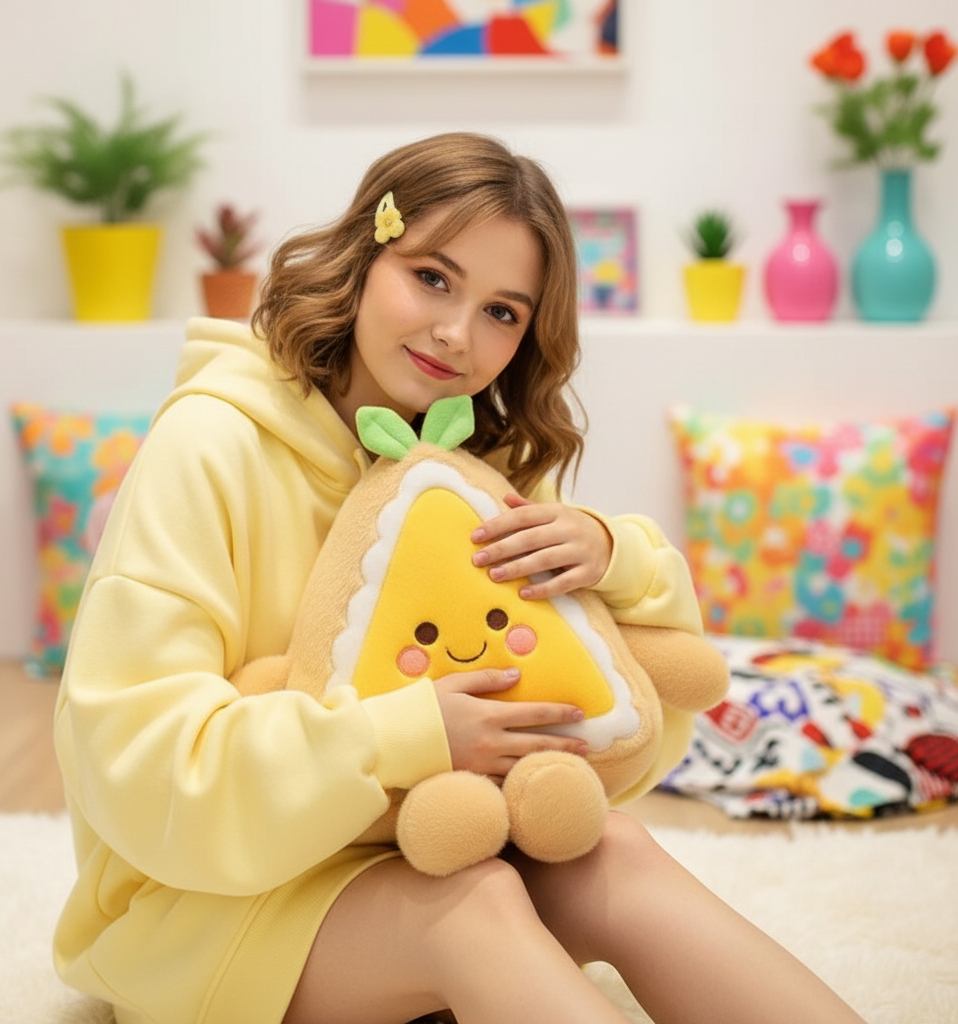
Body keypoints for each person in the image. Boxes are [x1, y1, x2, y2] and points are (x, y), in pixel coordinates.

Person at [52, 132, 867, 1024]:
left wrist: (615, 560)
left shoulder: (486, 464)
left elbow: (619, 758)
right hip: (203, 898)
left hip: (426, 845)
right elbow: (136, 770)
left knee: (617, 855)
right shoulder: (210, 445)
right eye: (432, 278)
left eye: (502, 312)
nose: (456, 333)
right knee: (475, 911)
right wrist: (411, 736)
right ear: (366, 255)